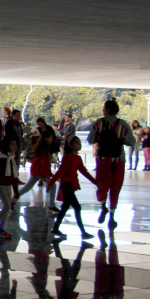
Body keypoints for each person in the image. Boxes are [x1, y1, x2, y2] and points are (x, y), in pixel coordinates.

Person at [87, 100, 135, 229]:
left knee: (102, 183)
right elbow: (132, 142)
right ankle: (112, 217)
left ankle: (103, 206)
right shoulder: (123, 125)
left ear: (107, 109)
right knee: (116, 186)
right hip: (119, 159)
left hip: (102, 158)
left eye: (104, 108)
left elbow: (91, 139)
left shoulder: (98, 123)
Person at [47, 136, 97, 240]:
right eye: (77, 142)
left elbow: (84, 172)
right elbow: (61, 171)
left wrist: (96, 182)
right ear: (70, 145)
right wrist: (51, 182)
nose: (79, 144)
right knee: (76, 207)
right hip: (66, 185)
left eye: (79, 142)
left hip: (71, 185)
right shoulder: (68, 157)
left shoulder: (77, 158)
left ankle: (56, 228)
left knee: (66, 207)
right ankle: (82, 232)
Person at [18, 118, 57, 208]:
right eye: (50, 138)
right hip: (40, 171)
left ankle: (13, 200)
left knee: (28, 187)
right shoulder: (44, 149)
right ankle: (51, 205)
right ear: (47, 139)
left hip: (36, 169)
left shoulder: (42, 147)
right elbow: (44, 163)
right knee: (53, 185)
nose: (52, 139)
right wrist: (48, 175)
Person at [0, 137, 21, 239]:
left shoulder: (12, 158)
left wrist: (16, 190)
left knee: (7, 208)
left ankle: (2, 229)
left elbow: (14, 175)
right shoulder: (1, 157)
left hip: (8, 185)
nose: (14, 147)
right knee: (7, 206)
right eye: (12, 144)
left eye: (15, 145)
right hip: (0, 184)